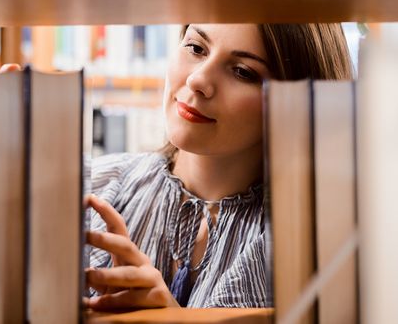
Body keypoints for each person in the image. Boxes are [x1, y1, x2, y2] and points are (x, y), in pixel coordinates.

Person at [84, 23, 353, 311]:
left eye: (242, 72)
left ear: (296, 100)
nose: (197, 80)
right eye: (196, 48)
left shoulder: (319, 243)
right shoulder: (89, 186)